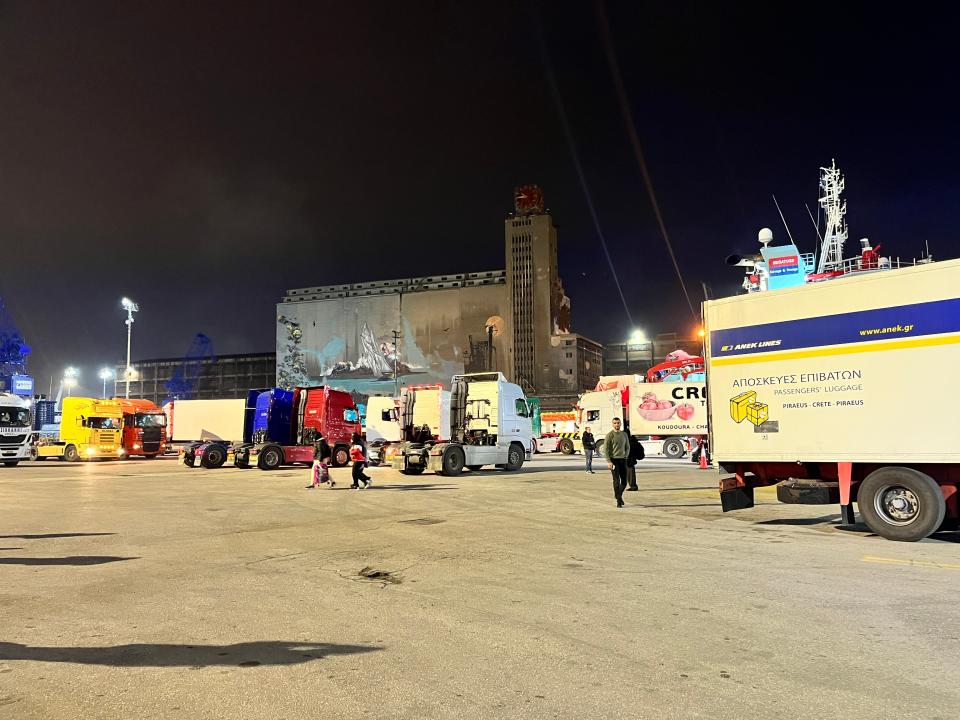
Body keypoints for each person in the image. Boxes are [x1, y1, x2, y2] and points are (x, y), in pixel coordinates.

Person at [604, 417, 631, 508]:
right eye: (615, 423)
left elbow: (627, 447)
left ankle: (618, 496)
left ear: (620, 424)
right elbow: (606, 449)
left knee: (624, 481)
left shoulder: (624, 435)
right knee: (616, 481)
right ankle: (619, 501)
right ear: (612, 424)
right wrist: (609, 461)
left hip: (623, 460)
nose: (617, 425)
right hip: (614, 461)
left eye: (618, 423)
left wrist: (626, 456)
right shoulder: (609, 435)